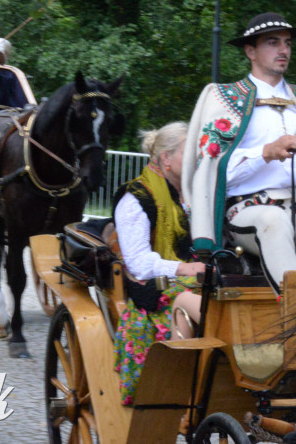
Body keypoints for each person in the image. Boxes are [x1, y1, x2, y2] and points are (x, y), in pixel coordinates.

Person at [181, 12, 296, 294]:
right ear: (250, 51)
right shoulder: (221, 98)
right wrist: (266, 153)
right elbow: (214, 172)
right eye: (273, 43)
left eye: (287, 43)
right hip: (250, 211)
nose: (284, 50)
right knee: (273, 221)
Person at [112, 122, 204, 406]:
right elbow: (138, 262)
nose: (198, 160)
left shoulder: (195, 193)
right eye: (190, 154)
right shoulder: (135, 198)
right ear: (166, 158)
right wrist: (184, 268)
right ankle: (181, 389)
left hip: (199, 280)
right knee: (202, 302)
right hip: (154, 290)